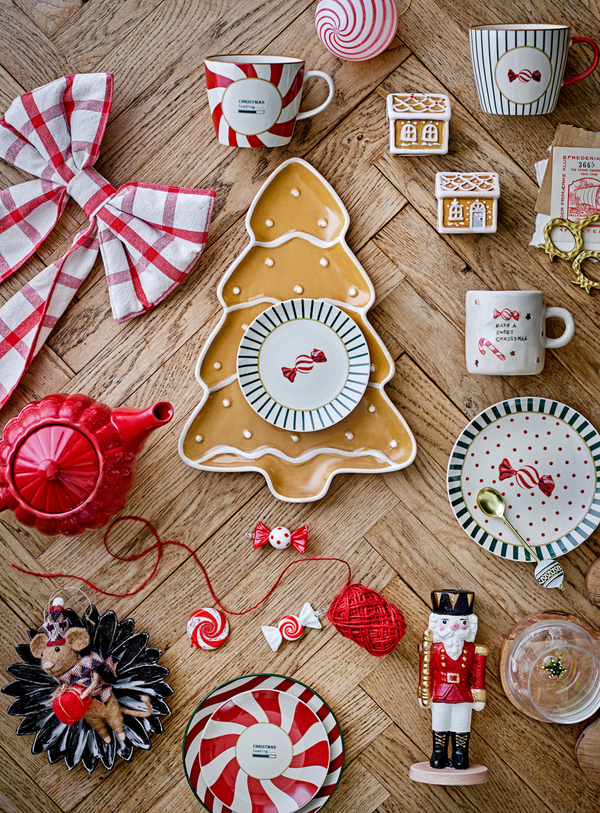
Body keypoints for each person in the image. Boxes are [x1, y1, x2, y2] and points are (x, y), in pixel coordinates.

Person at [417, 590, 488, 770]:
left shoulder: (473, 650)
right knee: (440, 722)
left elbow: (478, 674)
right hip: (440, 692)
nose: (454, 627)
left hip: (463, 693)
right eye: (446, 622)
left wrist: (479, 695)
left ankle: (460, 757)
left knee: (461, 724)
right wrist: (423, 691)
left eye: (462, 622)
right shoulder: (432, 649)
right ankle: (438, 755)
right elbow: (425, 671)